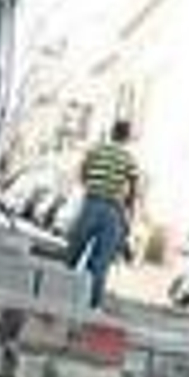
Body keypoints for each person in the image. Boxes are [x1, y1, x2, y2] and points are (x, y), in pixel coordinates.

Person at [66, 120, 141, 309]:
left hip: (91, 203)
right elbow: (133, 189)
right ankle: (91, 305)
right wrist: (128, 211)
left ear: (112, 133)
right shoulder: (129, 159)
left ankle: (59, 292)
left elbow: (82, 171)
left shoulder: (96, 150)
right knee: (101, 262)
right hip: (113, 209)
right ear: (127, 137)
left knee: (74, 251)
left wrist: (90, 186)